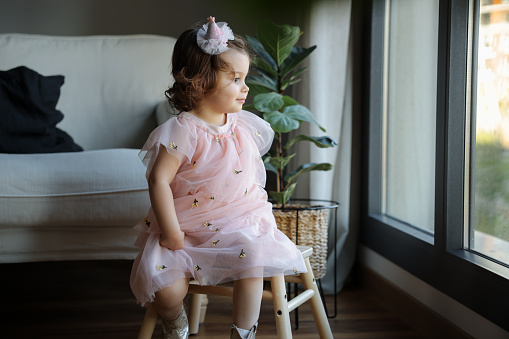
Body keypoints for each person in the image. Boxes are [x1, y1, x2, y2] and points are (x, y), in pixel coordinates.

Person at [130, 17, 307, 339]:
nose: (246, 87)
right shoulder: (182, 130)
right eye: (236, 79)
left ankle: (243, 332)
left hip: (240, 220)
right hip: (185, 227)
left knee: (253, 256)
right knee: (166, 291)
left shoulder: (242, 124)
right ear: (199, 81)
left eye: (245, 78)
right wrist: (171, 233)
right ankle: (174, 320)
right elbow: (158, 180)